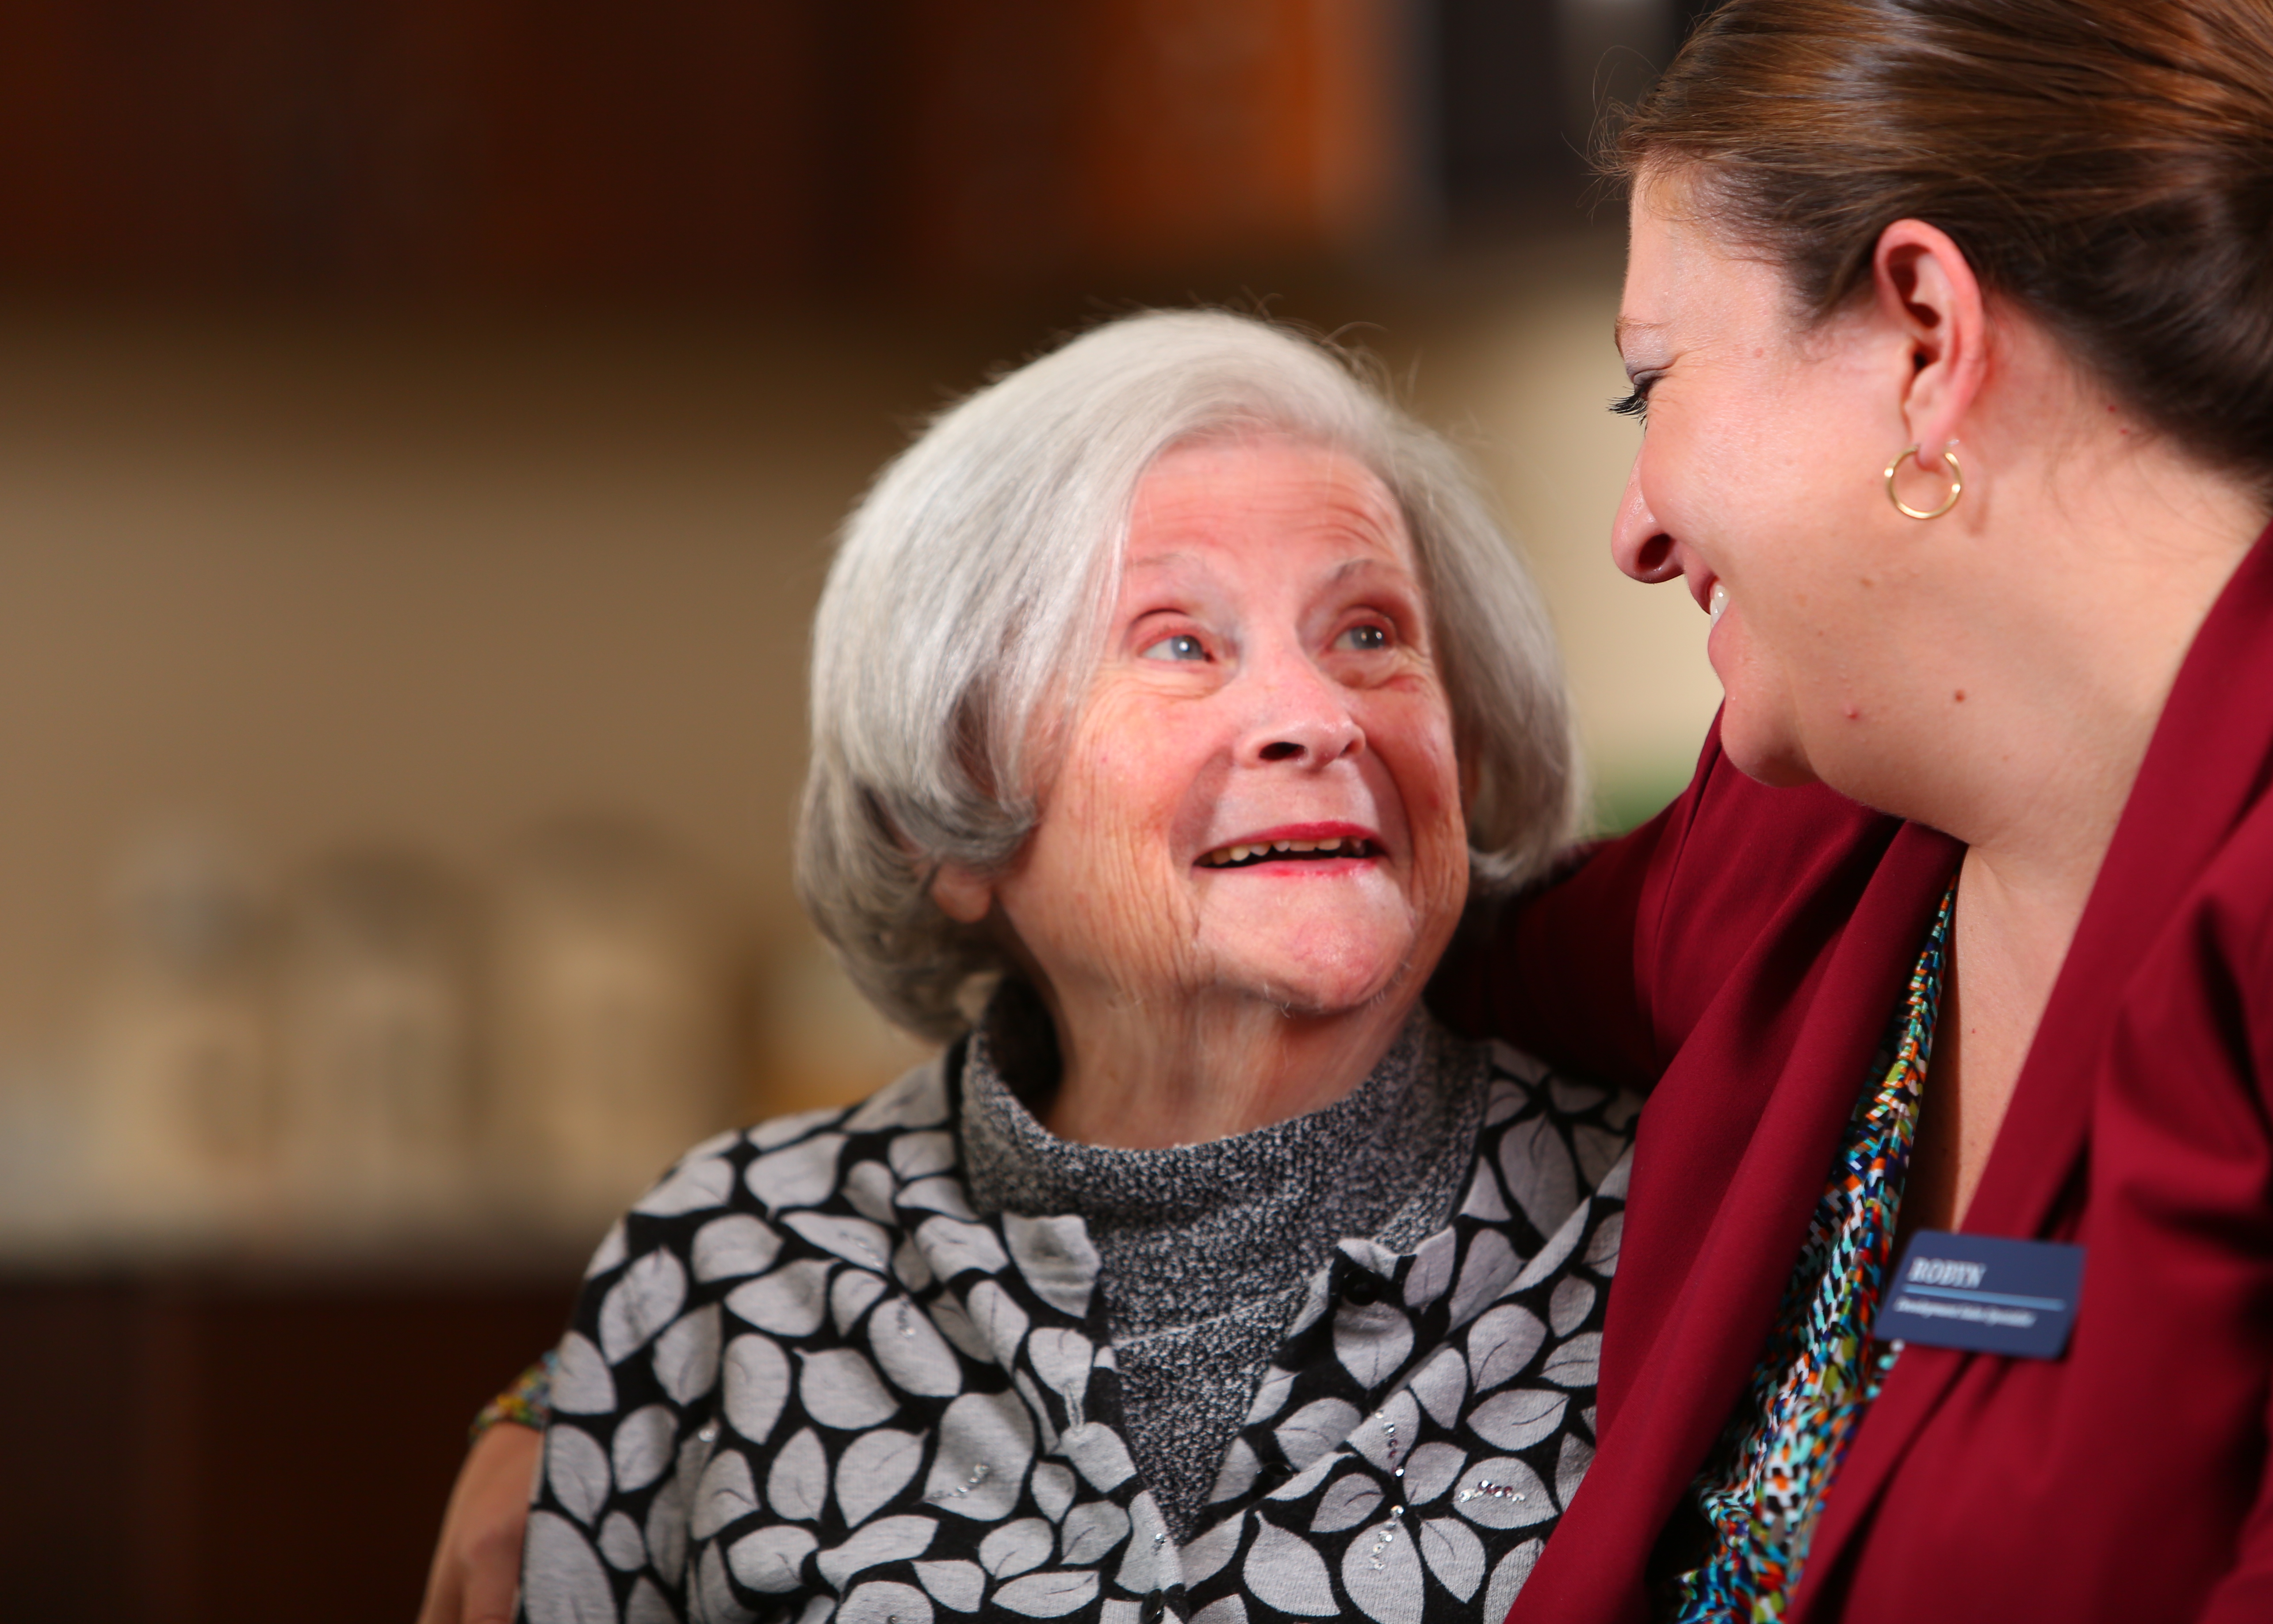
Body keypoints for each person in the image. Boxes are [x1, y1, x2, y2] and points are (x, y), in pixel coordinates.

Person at [1428, 0, 2273, 1619]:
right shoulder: (1821, 828)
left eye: (1651, 384)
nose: (1636, 527)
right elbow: (1394, 959)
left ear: (1926, 336)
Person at [419, 310, 1636, 1624]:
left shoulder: (1669, 1233)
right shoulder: (728, 1276)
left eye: (1370, 635)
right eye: (1182, 643)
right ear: (952, 813)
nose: (1316, 716)